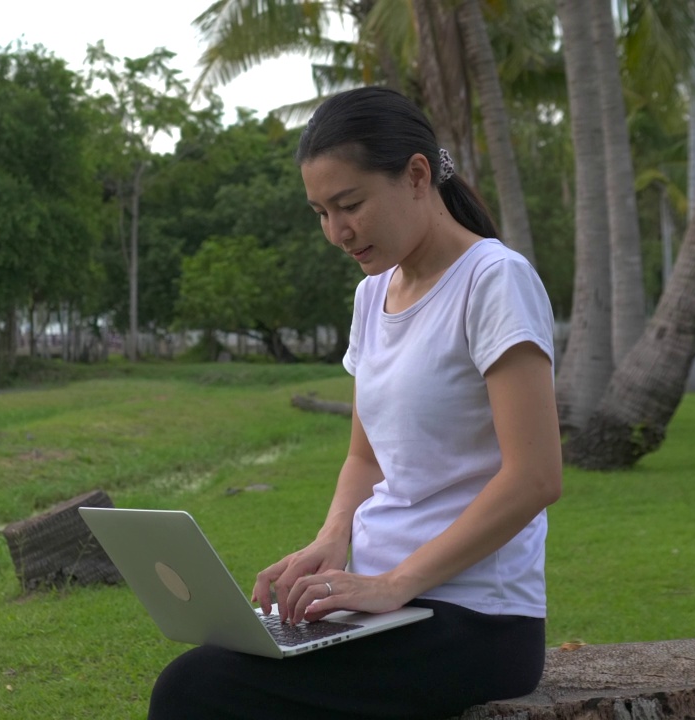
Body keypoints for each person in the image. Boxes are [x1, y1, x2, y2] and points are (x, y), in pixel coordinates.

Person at [147, 86, 562, 720]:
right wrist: (332, 538)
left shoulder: (493, 280)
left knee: (196, 689)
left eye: (350, 205)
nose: (337, 233)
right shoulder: (374, 296)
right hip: (380, 603)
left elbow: (534, 478)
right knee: (220, 661)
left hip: (477, 619)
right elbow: (365, 459)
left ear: (417, 175)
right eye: (320, 212)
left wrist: (395, 584)